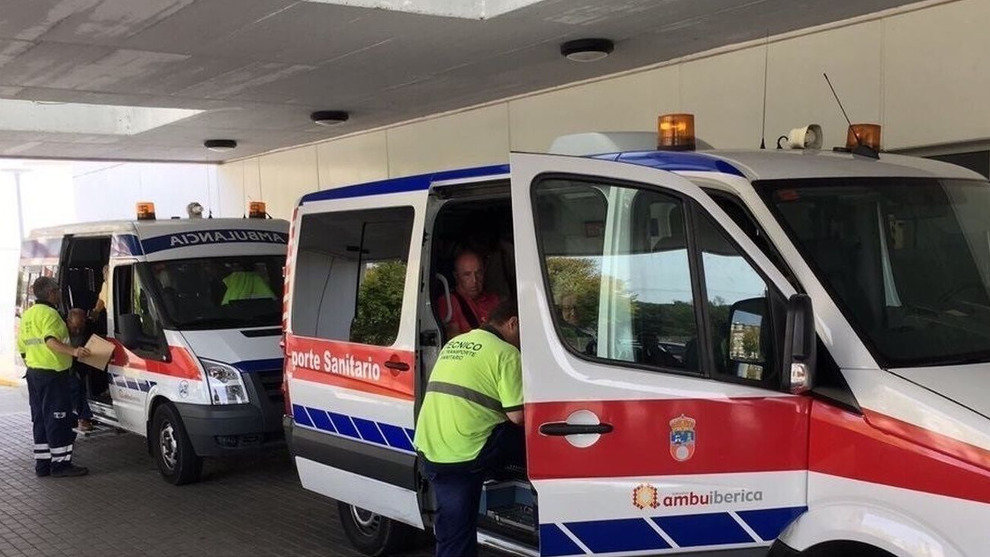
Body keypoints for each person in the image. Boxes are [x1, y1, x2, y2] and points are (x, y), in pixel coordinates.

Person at [413, 300, 525, 557]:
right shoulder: (506, 353)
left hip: (430, 446)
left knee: (451, 527)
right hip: (463, 454)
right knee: (536, 437)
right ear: (513, 322)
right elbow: (518, 416)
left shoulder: (455, 343)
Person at [17, 277, 91, 478]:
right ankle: (61, 465)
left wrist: (34, 364)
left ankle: (43, 465)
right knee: (59, 419)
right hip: (53, 375)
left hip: (34, 374)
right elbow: (50, 341)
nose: (59, 293)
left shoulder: (28, 315)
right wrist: (74, 351)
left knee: (40, 419)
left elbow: (22, 347)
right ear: (51, 293)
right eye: (57, 290)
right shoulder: (50, 314)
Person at [435, 249, 501, 338]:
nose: (474, 280)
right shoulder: (448, 303)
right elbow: (453, 340)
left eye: (479, 273)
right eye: (467, 275)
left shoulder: (494, 300)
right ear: (456, 276)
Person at [66, 309, 94, 432]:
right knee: (74, 388)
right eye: (75, 327)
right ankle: (80, 418)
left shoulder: (87, 329)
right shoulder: (60, 331)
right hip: (65, 365)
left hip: (80, 365)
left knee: (80, 388)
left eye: (80, 328)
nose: (77, 331)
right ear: (68, 322)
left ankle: (83, 418)